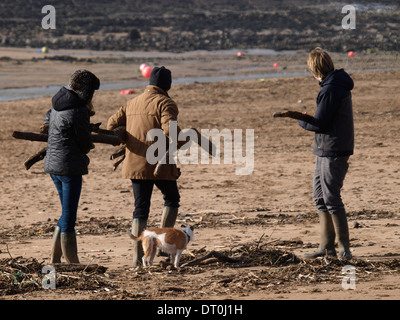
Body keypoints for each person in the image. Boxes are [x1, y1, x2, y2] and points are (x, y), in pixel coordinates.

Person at [107, 66, 184, 267]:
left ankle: (137, 258)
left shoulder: (131, 103)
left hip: (135, 164)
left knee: (140, 209)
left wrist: (128, 137)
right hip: (159, 164)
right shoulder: (166, 103)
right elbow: (171, 131)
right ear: (167, 85)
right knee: (172, 199)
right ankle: (164, 244)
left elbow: (111, 125)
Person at [299, 48, 354, 259]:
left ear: (314, 69)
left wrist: (302, 120)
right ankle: (326, 247)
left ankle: (344, 249)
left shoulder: (331, 89)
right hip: (325, 149)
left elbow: (320, 123)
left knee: (331, 198)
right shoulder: (334, 86)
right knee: (319, 197)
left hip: (333, 149)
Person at [45, 69, 100, 264]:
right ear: (87, 91)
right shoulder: (79, 110)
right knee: (69, 216)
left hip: (53, 166)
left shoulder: (57, 104)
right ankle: (72, 261)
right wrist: (89, 147)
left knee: (65, 213)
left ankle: (55, 258)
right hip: (69, 168)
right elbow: (84, 141)